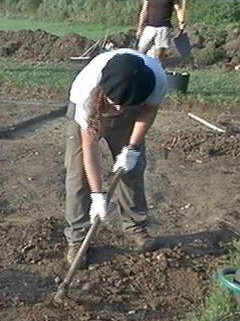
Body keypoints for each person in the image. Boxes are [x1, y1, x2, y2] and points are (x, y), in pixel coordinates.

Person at [63, 48, 168, 270]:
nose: (118, 108)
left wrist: (131, 147)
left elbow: (148, 112)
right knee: (78, 173)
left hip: (132, 107)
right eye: (115, 102)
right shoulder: (89, 89)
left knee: (133, 167)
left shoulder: (156, 79)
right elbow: (89, 149)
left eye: (124, 104)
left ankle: (134, 226)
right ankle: (78, 238)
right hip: (93, 105)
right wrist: (98, 195)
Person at [136, 0, 185, 69]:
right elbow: (144, 11)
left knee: (159, 55)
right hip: (149, 26)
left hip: (163, 28)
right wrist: (140, 27)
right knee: (141, 51)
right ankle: (139, 69)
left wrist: (181, 21)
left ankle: (161, 72)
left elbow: (178, 9)